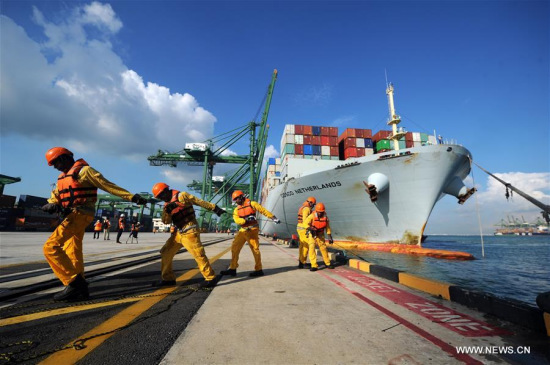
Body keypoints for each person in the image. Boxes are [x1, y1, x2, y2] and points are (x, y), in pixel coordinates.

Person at [41, 147, 147, 301]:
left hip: (80, 214)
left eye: (55, 163)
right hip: (72, 215)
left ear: (64, 158)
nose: (55, 167)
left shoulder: (84, 171)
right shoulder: (62, 178)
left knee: (50, 247)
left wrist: (131, 197)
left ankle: (73, 283)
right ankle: (81, 289)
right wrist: (51, 204)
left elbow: (107, 185)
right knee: (73, 251)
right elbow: (55, 196)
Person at [151, 182, 226, 288]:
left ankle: (210, 278)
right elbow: (166, 221)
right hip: (178, 233)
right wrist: (167, 211)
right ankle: (168, 279)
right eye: (159, 197)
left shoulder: (182, 196)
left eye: (161, 195)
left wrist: (214, 208)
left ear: (166, 191)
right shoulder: (166, 205)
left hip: (190, 230)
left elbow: (199, 202)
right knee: (165, 252)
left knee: (198, 254)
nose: (162, 198)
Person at [220, 190, 280, 277]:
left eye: (236, 199)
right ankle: (233, 269)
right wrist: (246, 220)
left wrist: (273, 217)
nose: (236, 201)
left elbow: (263, 210)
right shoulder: (236, 209)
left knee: (255, 249)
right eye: (235, 200)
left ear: (241, 197)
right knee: (235, 248)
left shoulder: (252, 204)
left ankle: (259, 270)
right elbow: (237, 220)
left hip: (252, 229)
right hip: (243, 230)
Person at [303, 202, 334, 271]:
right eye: (319, 212)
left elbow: (327, 227)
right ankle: (314, 265)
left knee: (323, 248)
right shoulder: (312, 216)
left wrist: (329, 236)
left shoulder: (325, 217)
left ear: (323, 211)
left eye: (321, 212)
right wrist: (310, 228)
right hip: (312, 234)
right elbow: (305, 224)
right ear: (316, 211)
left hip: (320, 234)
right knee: (312, 248)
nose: (320, 213)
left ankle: (328, 263)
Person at [296, 197, 316, 269]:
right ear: (310, 203)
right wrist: (309, 228)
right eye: (313, 204)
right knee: (306, 246)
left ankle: (301, 263)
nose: (313, 206)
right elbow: (305, 220)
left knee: (302, 246)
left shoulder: (303, 207)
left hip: (299, 227)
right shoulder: (307, 209)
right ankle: (303, 262)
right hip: (303, 228)